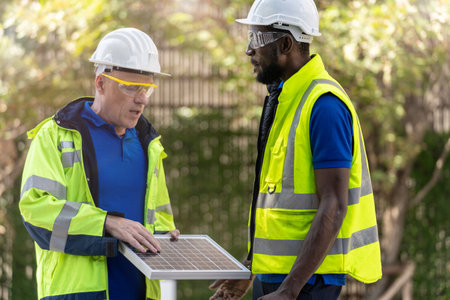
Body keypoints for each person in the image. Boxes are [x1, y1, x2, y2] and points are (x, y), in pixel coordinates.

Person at [209, 0, 382, 299]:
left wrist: (289, 290)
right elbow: (280, 205)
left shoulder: (324, 105)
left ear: (286, 43)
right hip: (279, 280)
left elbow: (334, 204)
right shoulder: (286, 100)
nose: (249, 50)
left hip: (307, 286)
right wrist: (252, 269)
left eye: (256, 39)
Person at [19, 27, 179, 300]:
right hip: (75, 295)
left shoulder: (149, 145)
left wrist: (167, 237)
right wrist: (105, 223)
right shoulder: (55, 136)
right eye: (130, 87)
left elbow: (159, 219)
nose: (141, 99)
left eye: (147, 89)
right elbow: (36, 211)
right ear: (101, 83)